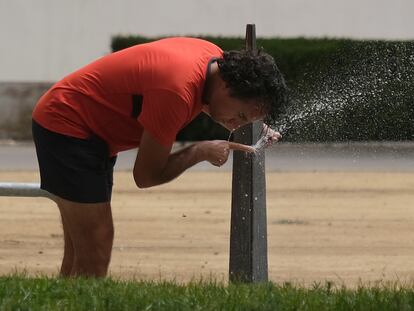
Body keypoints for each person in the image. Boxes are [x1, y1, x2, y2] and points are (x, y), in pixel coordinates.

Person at [31, 37, 287, 277]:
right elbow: (145, 175)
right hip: (67, 124)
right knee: (95, 250)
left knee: (81, 251)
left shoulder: (215, 61)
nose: (234, 127)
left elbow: (208, 101)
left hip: (87, 130)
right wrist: (200, 151)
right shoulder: (176, 91)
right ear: (227, 85)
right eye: (241, 117)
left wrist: (255, 127)